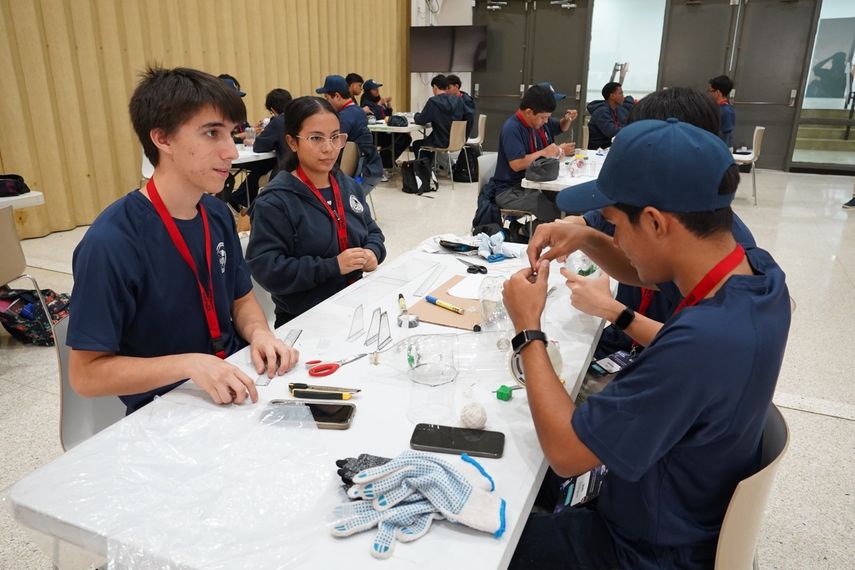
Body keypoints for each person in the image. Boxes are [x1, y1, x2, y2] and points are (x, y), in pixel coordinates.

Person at [503, 118, 791, 569]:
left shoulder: (700, 346)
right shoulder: (759, 275)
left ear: (656, 221)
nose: (615, 236)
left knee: (480, 544)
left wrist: (527, 330)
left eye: (616, 224)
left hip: (642, 551)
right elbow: (646, 272)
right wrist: (586, 235)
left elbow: (565, 453)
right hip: (682, 507)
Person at [67, 66, 299, 415]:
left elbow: (242, 299)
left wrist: (260, 334)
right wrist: (190, 364)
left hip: (236, 386)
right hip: (165, 409)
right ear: (162, 139)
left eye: (231, 134)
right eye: (211, 134)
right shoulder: (112, 241)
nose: (231, 152)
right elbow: (85, 375)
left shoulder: (217, 214)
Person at [567, 86, 757, 359]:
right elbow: (605, 229)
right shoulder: (698, 239)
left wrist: (530, 334)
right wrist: (578, 230)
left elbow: (691, 348)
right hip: (626, 343)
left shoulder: (722, 273)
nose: (617, 240)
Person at [246, 96, 386, 327]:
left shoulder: (347, 186)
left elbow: (372, 231)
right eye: (316, 138)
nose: (329, 148)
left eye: (335, 137)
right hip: (304, 320)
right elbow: (268, 269)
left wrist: (373, 252)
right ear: (292, 142)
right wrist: (333, 266)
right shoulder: (276, 201)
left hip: (355, 307)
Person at [471, 84, 577, 233]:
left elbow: (558, 127)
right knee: (554, 212)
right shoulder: (512, 128)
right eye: (543, 117)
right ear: (528, 112)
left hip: (531, 184)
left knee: (568, 203)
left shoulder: (535, 124)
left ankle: (530, 231)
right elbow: (517, 164)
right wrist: (545, 152)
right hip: (510, 190)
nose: (546, 121)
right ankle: (522, 232)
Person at [316, 75, 384, 194]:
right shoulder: (357, 111)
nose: (326, 102)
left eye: (327, 98)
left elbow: (331, 144)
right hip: (370, 168)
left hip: (354, 174)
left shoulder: (344, 117)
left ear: (337, 96)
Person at [218, 73, 276, 211]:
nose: (237, 101)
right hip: (228, 157)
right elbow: (221, 138)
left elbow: (247, 131)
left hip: (244, 154)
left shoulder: (238, 114)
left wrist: (256, 130)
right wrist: (244, 135)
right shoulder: (215, 115)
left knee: (266, 163)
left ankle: (239, 198)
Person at [411, 74, 474, 162]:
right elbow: (466, 118)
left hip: (440, 141)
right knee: (427, 141)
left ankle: (424, 172)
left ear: (435, 87)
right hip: (457, 141)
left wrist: (415, 115)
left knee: (417, 144)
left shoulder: (433, 101)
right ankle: (431, 169)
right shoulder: (459, 100)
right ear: (446, 87)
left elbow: (421, 120)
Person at [360, 79, 409, 170]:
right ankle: (385, 161)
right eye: (374, 89)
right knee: (401, 139)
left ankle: (388, 160)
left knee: (405, 137)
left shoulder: (376, 100)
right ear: (368, 91)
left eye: (377, 88)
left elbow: (387, 116)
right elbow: (375, 117)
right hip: (376, 134)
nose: (377, 91)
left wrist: (389, 105)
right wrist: (379, 105)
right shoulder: (366, 103)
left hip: (384, 131)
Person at [252, 88, 293, 178]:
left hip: (286, 172)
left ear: (273, 110)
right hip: (306, 168)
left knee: (259, 169)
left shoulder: (278, 121)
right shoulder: (301, 117)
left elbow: (258, 147)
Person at [586, 81, 634, 149]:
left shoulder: (617, 109)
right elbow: (612, 132)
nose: (623, 96)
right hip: (599, 149)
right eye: (620, 93)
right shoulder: (601, 111)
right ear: (612, 96)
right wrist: (633, 130)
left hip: (612, 146)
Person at [708, 75, 735, 148]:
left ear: (718, 92)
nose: (709, 94)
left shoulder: (725, 111)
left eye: (710, 91)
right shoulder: (726, 108)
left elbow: (725, 136)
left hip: (722, 148)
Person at [447, 74, 477, 138]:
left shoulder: (466, 101)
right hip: (451, 132)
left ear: (456, 86)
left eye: (449, 88)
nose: (447, 91)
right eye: (445, 88)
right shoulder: (450, 99)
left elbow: (467, 120)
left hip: (460, 135)